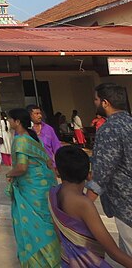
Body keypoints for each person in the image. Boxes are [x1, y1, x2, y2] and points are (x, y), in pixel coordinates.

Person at [51, 145, 132, 268]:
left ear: (57, 171)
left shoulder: (53, 194)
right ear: (89, 175)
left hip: (67, 261)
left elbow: (59, 236)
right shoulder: (83, 204)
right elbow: (113, 252)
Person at [6, 107, 60, 267]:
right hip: (43, 185)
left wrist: (9, 174)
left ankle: (38, 260)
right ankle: (53, 256)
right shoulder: (31, 137)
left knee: (31, 224)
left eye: (10, 119)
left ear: (17, 122)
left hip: (30, 190)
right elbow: (47, 161)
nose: (8, 122)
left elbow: (22, 167)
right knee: (45, 221)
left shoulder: (21, 140)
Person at [87, 82, 132, 265]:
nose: (96, 103)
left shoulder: (109, 129)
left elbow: (102, 173)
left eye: (96, 99)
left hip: (125, 202)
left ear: (105, 103)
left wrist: (85, 202)